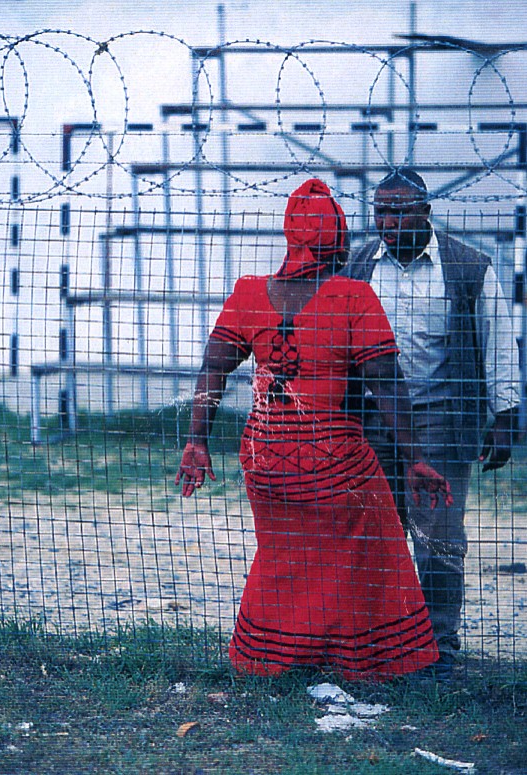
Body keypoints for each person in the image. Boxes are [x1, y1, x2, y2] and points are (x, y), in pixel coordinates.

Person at [175, 178, 452, 681]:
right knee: (370, 548)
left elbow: (213, 369)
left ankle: (271, 658)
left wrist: (197, 441)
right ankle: (369, 661)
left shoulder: (248, 293)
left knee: (283, 555)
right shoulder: (353, 296)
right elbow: (388, 386)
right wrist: (414, 458)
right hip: (333, 462)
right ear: (337, 237)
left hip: (264, 457)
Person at [342, 168, 521, 678]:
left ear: (425, 212)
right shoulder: (357, 268)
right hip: (371, 420)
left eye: (399, 212)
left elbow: (498, 343)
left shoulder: (468, 267)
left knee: (438, 539)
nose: (388, 222)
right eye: (380, 212)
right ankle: (379, 645)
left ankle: (440, 647)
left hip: (441, 418)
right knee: (375, 536)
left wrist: (505, 417)